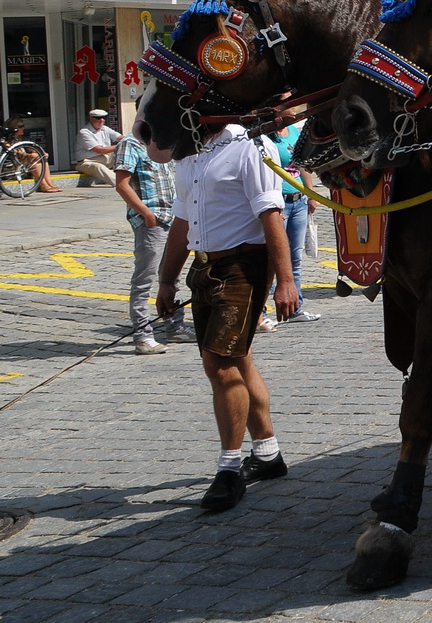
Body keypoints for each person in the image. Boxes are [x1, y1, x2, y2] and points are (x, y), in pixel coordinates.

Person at [155, 123, 299, 512]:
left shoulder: (250, 144)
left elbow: (272, 215)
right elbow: (183, 221)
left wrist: (285, 282)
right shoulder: (187, 152)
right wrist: (166, 280)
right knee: (237, 359)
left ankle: (229, 469)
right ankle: (267, 454)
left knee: (218, 366)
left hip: (244, 264)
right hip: (204, 269)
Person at [114, 131, 191, 353]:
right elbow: (122, 184)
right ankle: (142, 335)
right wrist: (145, 213)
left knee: (171, 276)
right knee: (144, 280)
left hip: (174, 216)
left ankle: (175, 326)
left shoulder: (168, 141)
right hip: (151, 221)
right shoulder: (131, 144)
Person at [262, 122, 320, 325]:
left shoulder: (294, 131)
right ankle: (261, 312)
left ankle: (295, 307)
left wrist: (310, 194)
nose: (293, 111)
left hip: (299, 201)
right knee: (273, 259)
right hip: (279, 203)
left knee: (295, 258)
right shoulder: (265, 138)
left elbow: (302, 164)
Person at [5, 116, 60, 193]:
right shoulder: (7, 141)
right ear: (13, 128)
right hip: (12, 170)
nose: (23, 128)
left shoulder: (21, 139)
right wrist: (32, 156)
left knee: (43, 159)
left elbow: (32, 148)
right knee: (35, 162)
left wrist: (40, 154)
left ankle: (50, 184)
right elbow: (15, 154)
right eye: (21, 126)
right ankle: (44, 185)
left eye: (23, 126)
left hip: (22, 166)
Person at [74, 109, 121, 187]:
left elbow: (120, 137)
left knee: (126, 151)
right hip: (86, 162)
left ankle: (140, 175)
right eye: (98, 118)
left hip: (105, 158)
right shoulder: (84, 132)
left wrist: (132, 140)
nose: (102, 120)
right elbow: (99, 150)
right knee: (97, 166)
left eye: (103, 118)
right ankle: (121, 183)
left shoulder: (105, 128)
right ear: (91, 119)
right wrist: (121, 145)